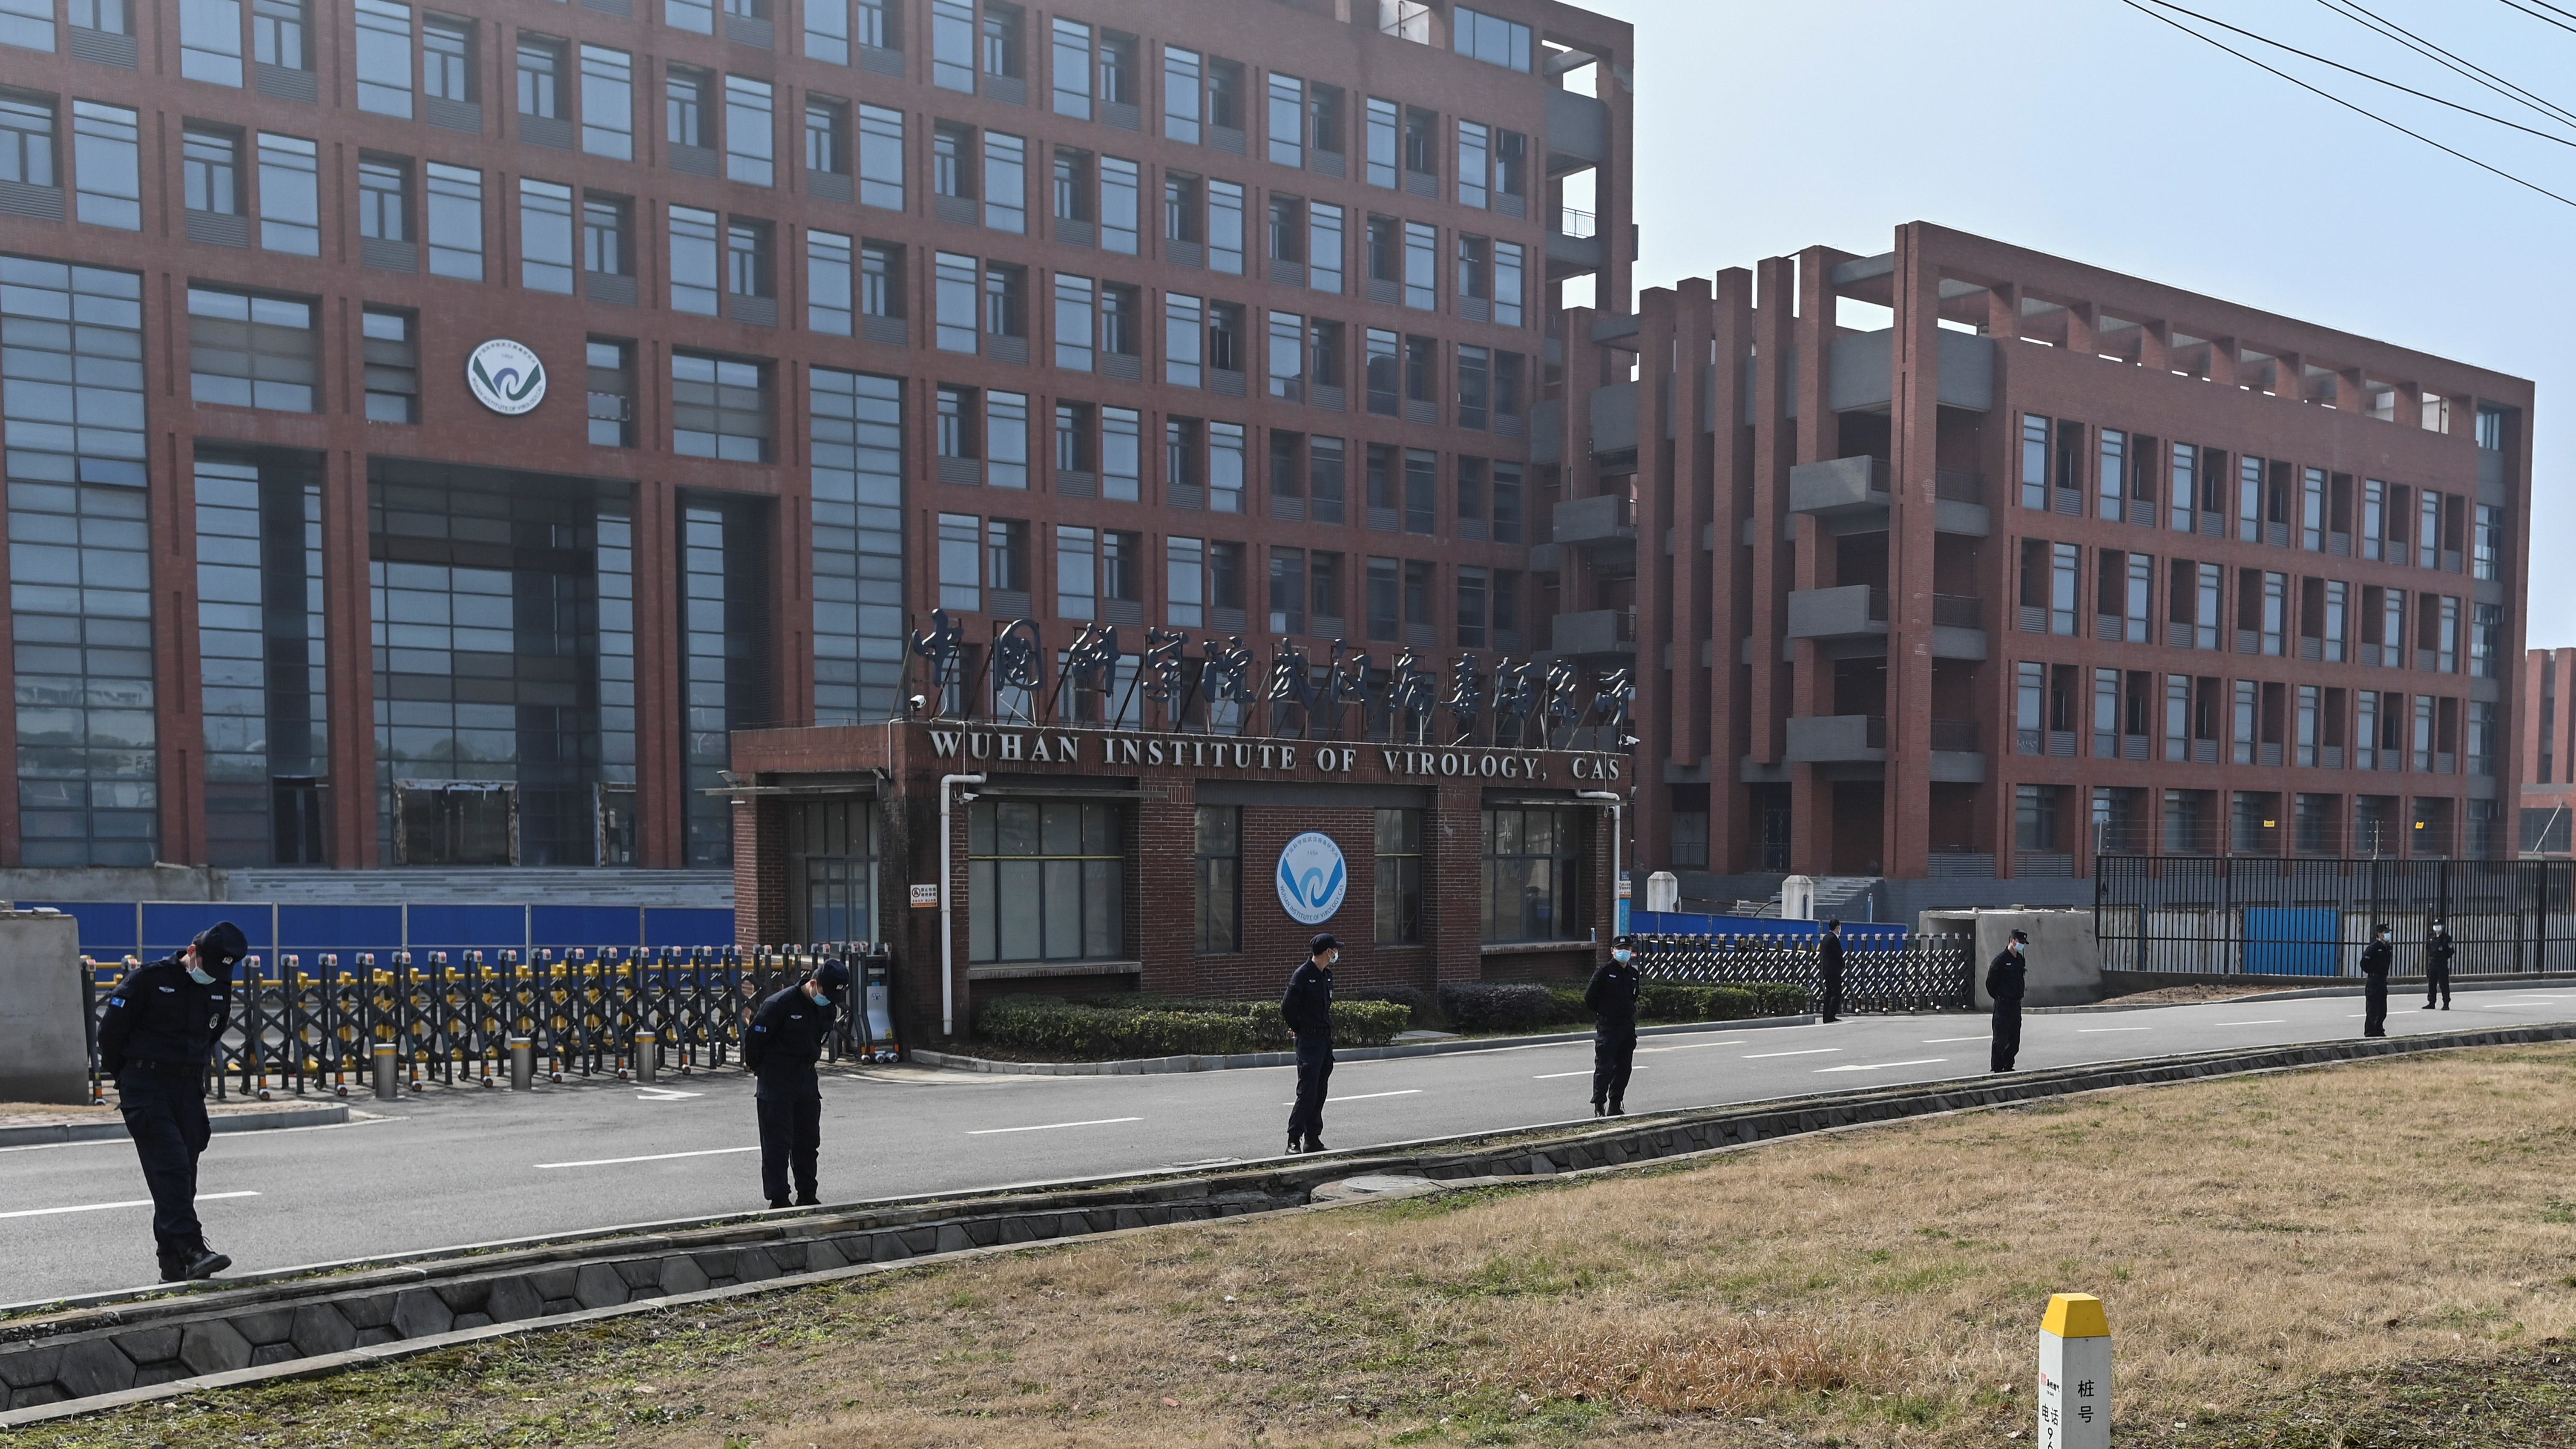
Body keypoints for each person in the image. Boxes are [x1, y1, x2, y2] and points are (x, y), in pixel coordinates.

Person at [95, 921, 249, 1283]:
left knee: (183, 1178)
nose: (213, 977)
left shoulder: (218, 986)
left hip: (188, 1089)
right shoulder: (149, 979)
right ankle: (195, 1249)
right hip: (146, 1084)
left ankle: (173, 1265)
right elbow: (110, 1033)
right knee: (171, 1168)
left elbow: (212, 1034)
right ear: (192, 953)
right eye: (209, 968)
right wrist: (128, 1079)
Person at [743, 957, 848, 1209]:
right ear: (814, 984)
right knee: (777, 1145)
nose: (830, 1000)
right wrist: (764, 1071)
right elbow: (754, 1042)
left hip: (806, 1079)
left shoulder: (828, 1008)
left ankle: (808, 1194)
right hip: (776, 1079)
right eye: (827, 993)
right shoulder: (780, 1004)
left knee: (808, 1142)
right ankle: (779, 1199)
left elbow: (819, 1040)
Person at [1282, 932, 1338, 1154]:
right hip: (1309, 1040)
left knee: (1320, 1091)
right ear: (1327, 952)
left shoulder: (1327, 976)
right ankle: (1293, 1140)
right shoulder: (1303, 975)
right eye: (1334, 950)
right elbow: (1288, 1007)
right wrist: (1298, 1027)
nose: (1336, 953)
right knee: (1307, 1092)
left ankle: (1313, 1138)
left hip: (1324, 1040)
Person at [1585, 935, 1642, 1117]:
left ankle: (1616, 1104)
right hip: (1608, 1026)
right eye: (1620, 948)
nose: (1624, 951)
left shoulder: (1633, 974)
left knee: (1624, 1067)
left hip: (1626, 1026)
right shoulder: (1604, 971)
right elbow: (1590, 997)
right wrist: (1603, 1012)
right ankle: (1599, 1105)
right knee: (1604, 1068)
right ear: (1613, 951)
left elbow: (1634, 996)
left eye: (1627, 948)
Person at [1986, 929, 2028, 1074]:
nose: (2021, 946)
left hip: (2016, 1005)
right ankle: (1997, 1069)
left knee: (2015, 1040)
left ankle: (2009, 1065)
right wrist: (2000, 998)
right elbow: (1990, 984)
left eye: (2023, 943)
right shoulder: (2001, 961)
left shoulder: (2020, 960)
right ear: (2012, 941)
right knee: (2000, 1040)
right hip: (2003, 1005)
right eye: (2020, 942)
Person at [2360, 922, 2392, 1038]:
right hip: (2374, 981)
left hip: (2383, 981)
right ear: (2379, 934)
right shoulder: (2374, 948)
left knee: (2382, 1009)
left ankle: (2379, 1030)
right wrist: (2373, 972)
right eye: (2386, 933)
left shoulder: (2387, 947)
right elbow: (2364, 963)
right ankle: (2370, 1032)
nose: (2388, 934)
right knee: (2373, 1009)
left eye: (2389, 932)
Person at [1817, 918, 1846, 1024]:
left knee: (1828, 993)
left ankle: (1826, 1016)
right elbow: (1838, 955)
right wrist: (1843, 965)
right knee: (1837, 993)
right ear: (1838, 928)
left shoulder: (1826, 938)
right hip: (1834, 971)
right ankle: (1831, 1015)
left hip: (1827, 970)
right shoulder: (1834, 939)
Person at [2423, 918, 2455, 1012]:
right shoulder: (2431, 937)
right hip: (2433, 963)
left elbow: (2451, 951)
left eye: (2439, 925)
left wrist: (2443, 958)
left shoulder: (2446, 938)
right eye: (2435, 925)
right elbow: (2428, 949)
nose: (2436, 927)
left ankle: (2446, 1003)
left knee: (2443, 984)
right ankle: (2431, 1002)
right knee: (2432, 984)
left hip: (2442, 963)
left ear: (2443, 926)